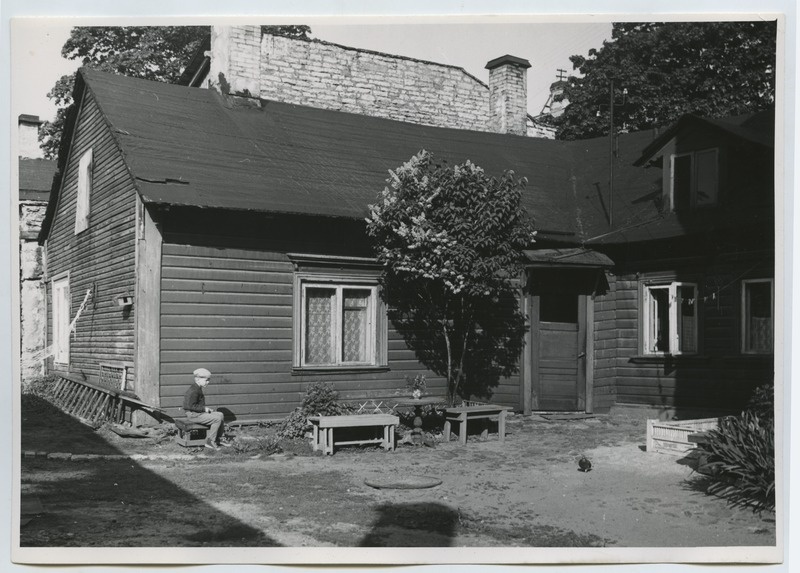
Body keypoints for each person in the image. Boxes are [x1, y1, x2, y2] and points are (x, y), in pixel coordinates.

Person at [183, 367, 231, 450]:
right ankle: (210, 441)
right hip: (193, 415)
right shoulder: (194, 391)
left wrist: (205, 409)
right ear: (197, 379)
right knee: (216, 419)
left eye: (208, 380)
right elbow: (189, 406)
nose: (208, 382)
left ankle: (218, 438)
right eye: (206, 380)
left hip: (197, 413)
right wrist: (204, 409)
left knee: (220, 414)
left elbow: (195, 405)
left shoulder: (197, 388)